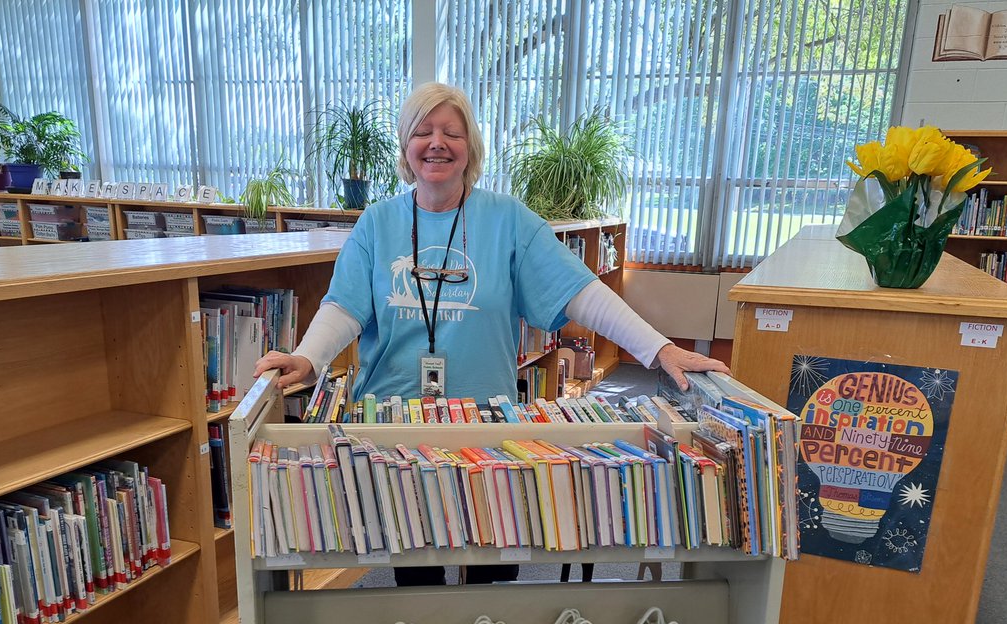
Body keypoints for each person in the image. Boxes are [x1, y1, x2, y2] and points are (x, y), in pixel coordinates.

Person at [254, 82, 729, 587]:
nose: (436, 143)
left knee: (493, 567)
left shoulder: (509, 221)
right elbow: (344, 307)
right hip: (397, 425)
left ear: (471, 148)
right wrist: (307, 358)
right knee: (416, 572)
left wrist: (659, 348)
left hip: (485, 426)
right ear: (405, 146)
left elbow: (580, 291)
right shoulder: (377, 222)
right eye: (423, 131)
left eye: (451, 133)